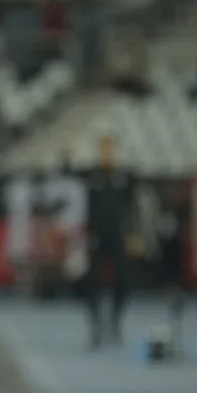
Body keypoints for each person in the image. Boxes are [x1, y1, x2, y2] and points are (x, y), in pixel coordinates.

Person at [84, 134, 135, 349]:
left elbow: (131, 208)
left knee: (123, 280)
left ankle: (115, 318)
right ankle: (96, 323)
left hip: (117, 236)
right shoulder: (91, 177)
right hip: (95, 236)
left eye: (110, 149)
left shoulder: (123, 178)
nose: (106, 154)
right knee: (92, 282)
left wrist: (133, 233)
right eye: (103, 149)